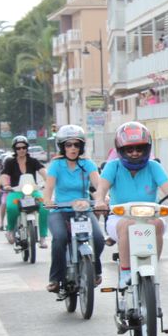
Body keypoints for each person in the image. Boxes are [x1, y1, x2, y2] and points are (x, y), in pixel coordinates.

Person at [93, 122, 168, 290]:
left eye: (139, 149)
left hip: (150, 216)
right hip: (119, 217)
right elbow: (102, 189)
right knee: (127, 225)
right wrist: (99, 201)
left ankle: (153, 267)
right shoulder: (113, 166)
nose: (134, 153)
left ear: (147, 149)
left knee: (156, 224)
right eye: (129, 149)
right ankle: (125, 272)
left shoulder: (154, 166)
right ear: (121, 150)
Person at [41, 125, 104, 293]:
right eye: (68, 145)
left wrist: (103, 199)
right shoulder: (56, 165)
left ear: (81, 147)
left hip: (83, 210)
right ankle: (55, 278)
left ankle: (96, 271)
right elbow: (49, 187)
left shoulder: (87, 164)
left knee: (98, 238)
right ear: (62, 147)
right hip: (59, 210)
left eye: (76, 145)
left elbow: (98, 185)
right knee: (60, 238)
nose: (73, 148)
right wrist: (47, 200)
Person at [0, 136, 49, 247]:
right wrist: (6, 185)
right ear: (14, 149)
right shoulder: (10, 162)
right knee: (11, 207)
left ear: (27, 148)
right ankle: (10, 230)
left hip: (33, 191)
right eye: (18, 148)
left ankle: (43, 237)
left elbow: (42, 170)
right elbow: (4, 175)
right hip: (16, 192)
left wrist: (47, 179)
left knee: (45, 207)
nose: (21, 150)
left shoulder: (33, 161)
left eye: (24, 147)